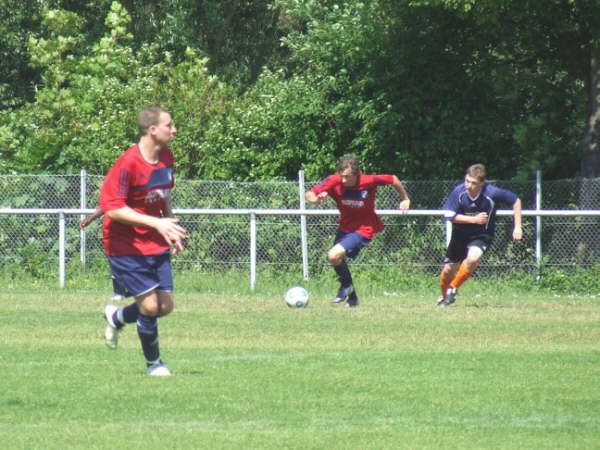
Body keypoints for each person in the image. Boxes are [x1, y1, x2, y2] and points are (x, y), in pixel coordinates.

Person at [99, 106, 186, 376]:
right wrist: (158, 223)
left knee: (165, 306)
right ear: (152, 130)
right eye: (169, 125)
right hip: (125, 244)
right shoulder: (128, 163)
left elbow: (164, 194)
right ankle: (154, 364)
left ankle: (117, 317)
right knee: (149, 306)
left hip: (155, 238)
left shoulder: (166, 156)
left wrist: (170, 224)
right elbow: (113, 209)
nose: (174, 130)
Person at [305, 155, 411, 307]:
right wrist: (314, 199)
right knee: (337, 259)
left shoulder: (368, 181)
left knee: (333, 255)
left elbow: (393, 179)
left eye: (347, 177)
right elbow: (309, 193)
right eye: (341, 176)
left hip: (364, 229)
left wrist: (405, 198)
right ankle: (352, 298)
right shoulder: (334, 180)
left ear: (356, 174)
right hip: (344, 228)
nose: (343, 180)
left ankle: (346, 287)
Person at [437, 163, 522, 307]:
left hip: (482, 235)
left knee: (472, 258)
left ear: (482, 183)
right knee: (447, 271)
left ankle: (453, 288)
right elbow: (449, 215)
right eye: (467, 181)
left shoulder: (492, 193)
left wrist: (518, 227)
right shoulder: (458, 192)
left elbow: (515, 200)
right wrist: (474, 220)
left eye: (473, 183)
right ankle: (445, 297)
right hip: (460, 235)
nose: (469, 185)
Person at [80, 209, 123, 301]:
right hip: (111, 233)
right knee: (114, 261)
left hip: (123, 232)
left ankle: (122, 291)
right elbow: (105, 206)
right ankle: (119, 291)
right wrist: (90, 219)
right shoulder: (111, 197)